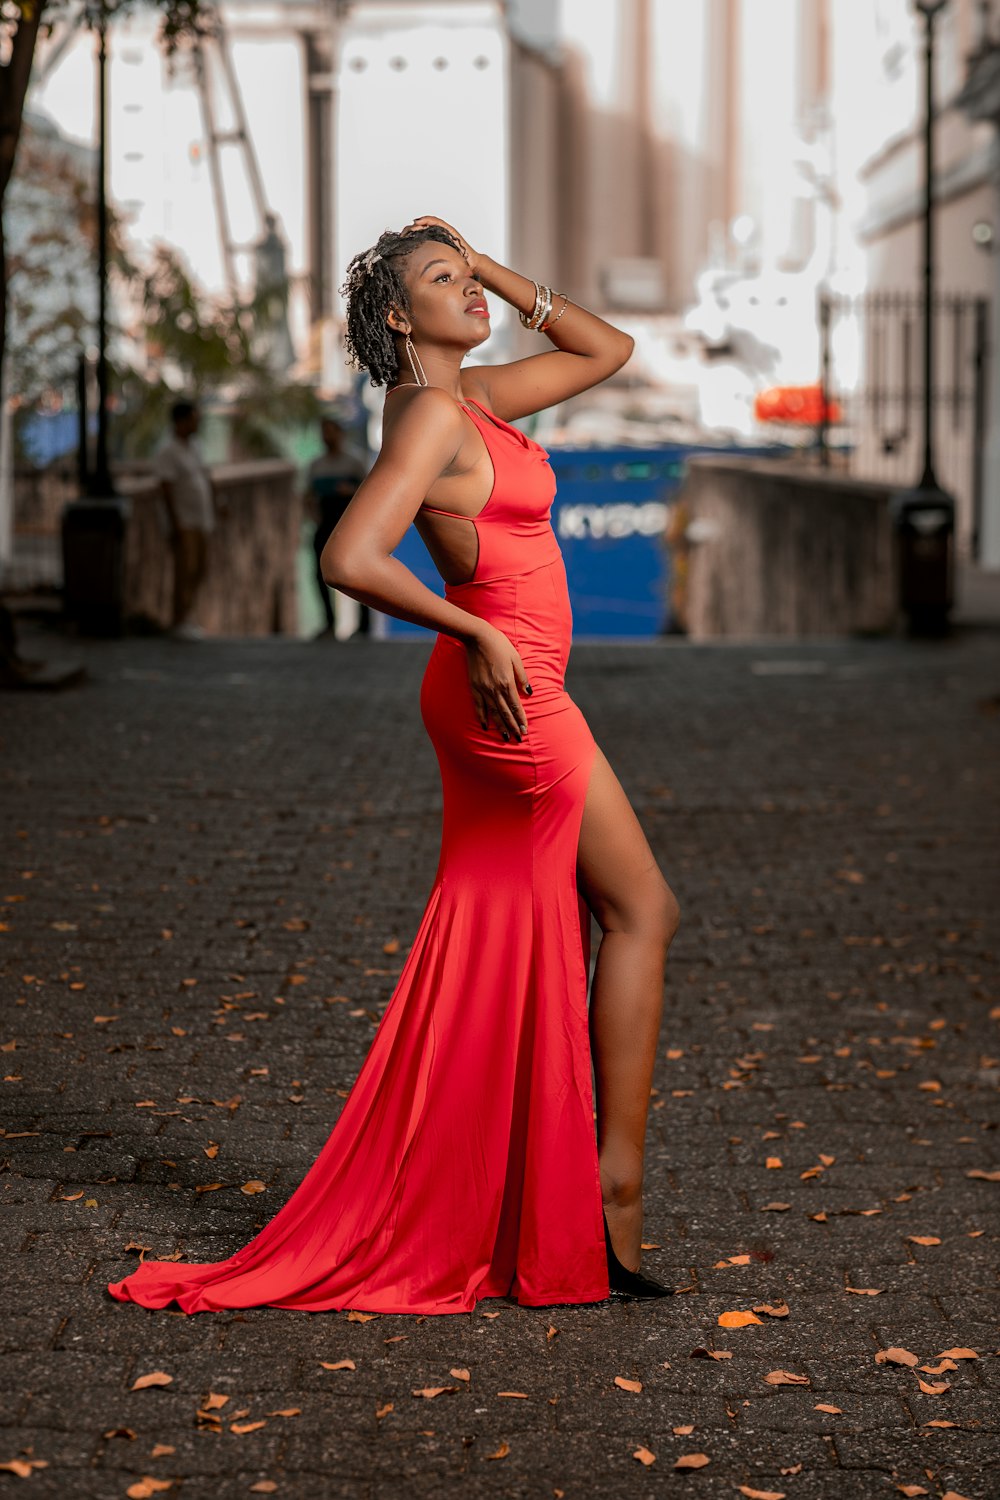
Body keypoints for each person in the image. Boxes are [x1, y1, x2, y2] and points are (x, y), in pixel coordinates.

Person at [108, 215, 681, 1315]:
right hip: (511, 700)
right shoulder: (428, 416)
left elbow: (607, 352)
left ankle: (568, 1208)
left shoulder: (467, 403)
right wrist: (472, 634)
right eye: (442, 281)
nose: (471, 294)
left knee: (549, 926)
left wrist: (494, 268)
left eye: (471, 280)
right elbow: (349, 555)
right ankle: (606, 1203)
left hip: (520, 693)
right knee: (640, 908)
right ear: (392, 315)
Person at [155, 399, 217, 641]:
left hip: (201, 520)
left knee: (198, 569)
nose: (197, 424)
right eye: (193, 419)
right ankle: (178, 619)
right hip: (185, 522)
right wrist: (175, 522)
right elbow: (166, 488)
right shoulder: (167, 451)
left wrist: (217, 503)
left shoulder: (195, 447)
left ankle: (188, 615)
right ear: (180, 421)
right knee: (185, 570)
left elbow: (205, 475)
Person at [305, 415, 370, 639]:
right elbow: (308, 496)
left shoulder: (354, 462)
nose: (327, 436)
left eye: (331, 430)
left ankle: (364, 626)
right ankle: (329, 622)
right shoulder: (316, 465)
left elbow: (369, 490)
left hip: (348, 523)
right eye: (323, 431)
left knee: (357, 572)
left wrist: (349, 491)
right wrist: (312, 516)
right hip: (325, 522)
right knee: (319, 574)